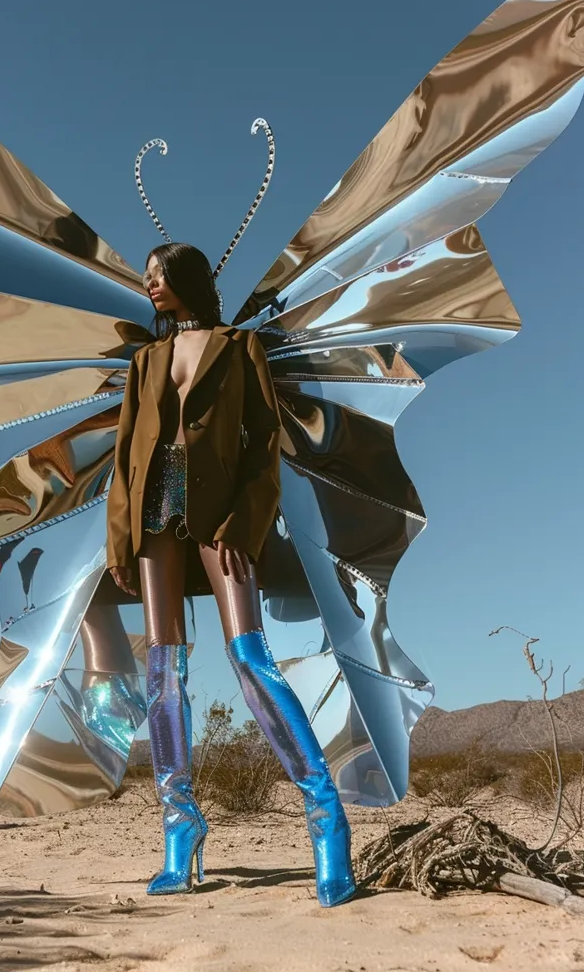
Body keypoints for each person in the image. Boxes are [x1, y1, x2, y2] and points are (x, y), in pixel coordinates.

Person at [106, 242, 356, 908]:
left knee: (250, 658)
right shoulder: (146, 360)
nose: (151, 284)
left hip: (221, 516)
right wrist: (119, 539)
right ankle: (179, 824)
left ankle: (325, 816)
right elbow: (126, 453)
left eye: (160, 274)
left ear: (188, 278)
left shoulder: (240, 346)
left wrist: (244, 524)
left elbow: (264, 442)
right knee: (163, 672)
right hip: (153, 516)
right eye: (146, 277)